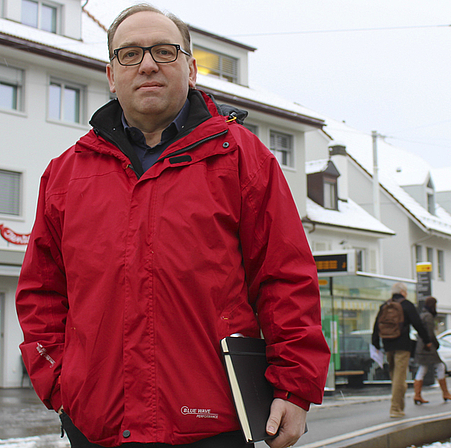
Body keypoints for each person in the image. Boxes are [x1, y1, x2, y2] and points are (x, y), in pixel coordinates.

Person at [15, 5, 330, 448]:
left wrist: (294, 387)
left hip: (214, 424)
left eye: (164, 51)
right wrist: (61, 384)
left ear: (191, 69)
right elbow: (41, 293)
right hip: (97, 426)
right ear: (111, 75)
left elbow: (285, 280)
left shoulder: (242, 159)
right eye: (129, 54)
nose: (147, 64)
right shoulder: (66, 174)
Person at [372, 282, 430, 418]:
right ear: (403, 292)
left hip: (387, 344)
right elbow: (418, 324)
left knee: (395, 375)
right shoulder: (407, 305)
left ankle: (400, 405)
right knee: (399, 377)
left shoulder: (384, 305)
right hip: (402, 345)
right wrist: (427, 341)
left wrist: (375, 343)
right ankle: (395, 409)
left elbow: (376, 325)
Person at [413, 297, 451, 404]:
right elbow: (430, 334)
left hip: (421, 346)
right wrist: (435, 344)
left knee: (423, 368)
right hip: (428, 347)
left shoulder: (422, 315)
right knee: (440, 366)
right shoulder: (429, 317)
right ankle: (445, 393)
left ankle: (417, 394)